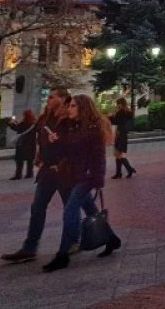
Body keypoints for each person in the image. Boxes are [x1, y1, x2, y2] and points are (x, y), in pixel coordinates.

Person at [43, 94, 121, 272]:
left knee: (70, 210)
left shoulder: (94, 129)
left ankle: (62, 254)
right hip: (74, 176)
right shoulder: (73, 127)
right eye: (69, 105)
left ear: (83, 108)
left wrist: (98, 180)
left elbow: (99, 156)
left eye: (73, 106)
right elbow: (68, 151)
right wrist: (56, 142)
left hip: (87, 177)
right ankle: (112, 239)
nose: (68, 109)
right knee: (92, 211)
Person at [1, 88, 73, 264]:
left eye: (52, 97)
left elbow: (75, 144)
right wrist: (39, 157)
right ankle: (29, 248)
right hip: (47, 171)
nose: (48, 100)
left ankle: (73, 239)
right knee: (37, 208)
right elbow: (39, 138)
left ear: (63, 99)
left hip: (63, 171)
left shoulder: (69, 119)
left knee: (71, 207)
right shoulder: (45, 118)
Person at [109, 98, 137, 179]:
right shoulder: (126, 111)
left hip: (120, 134)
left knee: (118, 154)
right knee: (117, 154)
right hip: (122, 133)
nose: (116, 105)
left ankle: (128, 170)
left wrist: (110, 117)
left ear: (120, 104)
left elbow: (115, 121)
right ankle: (120, 172)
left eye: (117, 104)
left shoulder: (121, 112)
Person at [8, 110, 37, 180]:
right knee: (30, 161)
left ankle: (18, 175)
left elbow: (16, 128)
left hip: (22, 144)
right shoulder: (34, 124)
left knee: (19, 161)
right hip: (32, 145)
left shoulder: (23, 123)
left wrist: (11, 123)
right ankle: (29, 173)